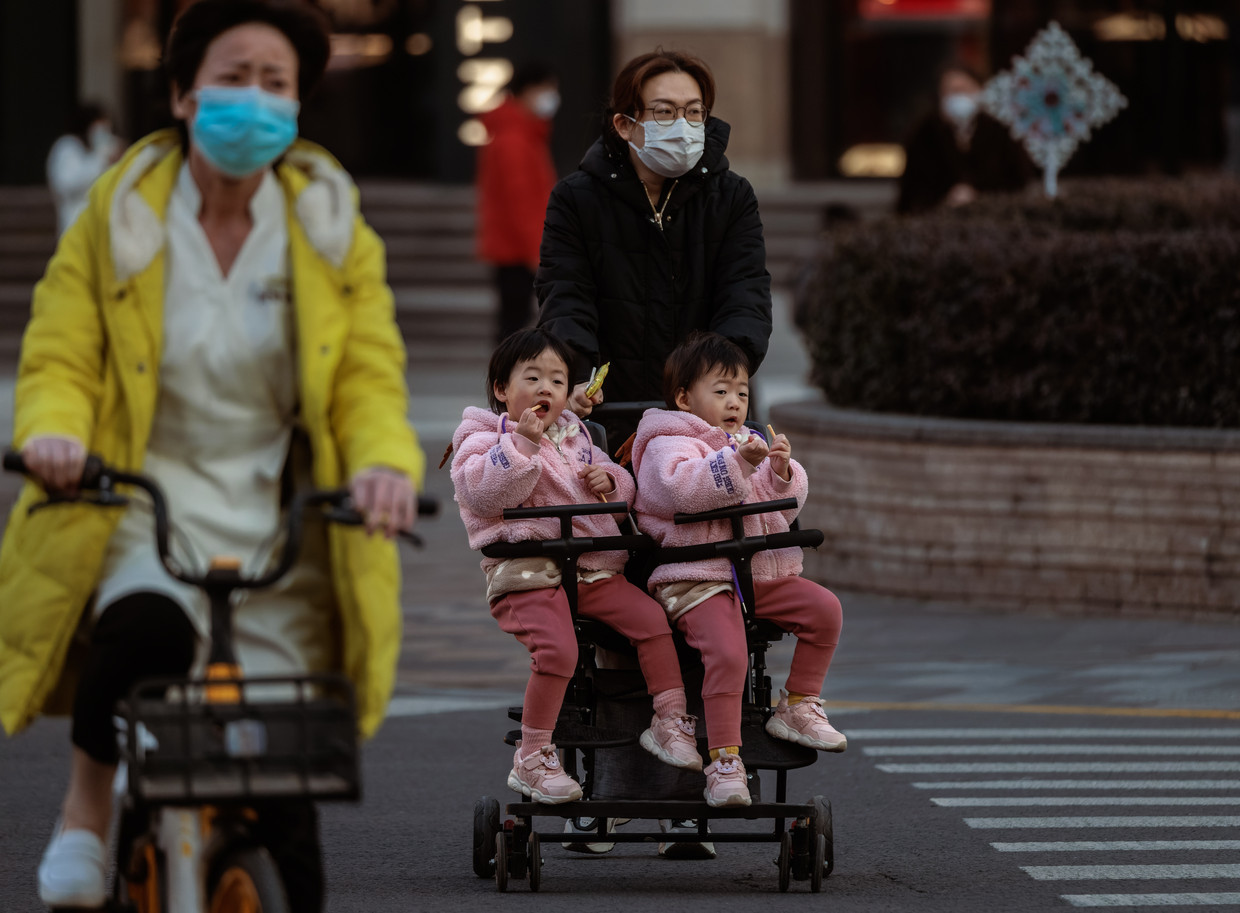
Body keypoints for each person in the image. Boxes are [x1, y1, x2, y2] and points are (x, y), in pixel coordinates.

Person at [0, 2, 424, 910]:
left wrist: (385, 463)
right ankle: (86, 810)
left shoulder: (329, 224)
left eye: (277, 84)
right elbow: (62, 351)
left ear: (300, 104)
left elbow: (367, 370)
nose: (255, 100)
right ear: (186, 94)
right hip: (136, 494)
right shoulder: (116, 216)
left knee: (287, 794)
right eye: (234, 77)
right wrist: (52, 433)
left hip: (280, 513)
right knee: (147, 631)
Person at [449, 327, 701, 803]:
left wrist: (608, 480)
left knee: (651, 620)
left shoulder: (575, 435)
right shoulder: (483, 436)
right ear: (502, 390)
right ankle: (533, 755)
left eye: (558, 381)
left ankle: (670, 720)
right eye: (533, 378)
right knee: (558, 651)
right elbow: (481, 493)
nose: (546, 389)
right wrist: (520, 445)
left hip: (590, 567)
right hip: (528, 569)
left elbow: (623, 492)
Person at [632, 331, 846, 807]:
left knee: (825, 610)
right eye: (722, 391)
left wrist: (781, 472)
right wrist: (736, 462)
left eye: (743, 392)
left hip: (753, 572)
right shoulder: (667, 442)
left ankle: (797, 705)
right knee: (729, 654)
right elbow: (684, 491)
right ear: (685, 399)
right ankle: (725, 760)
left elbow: (781, 510)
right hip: (694, 576)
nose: (735, 402)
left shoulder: (745, 441)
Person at [536, 49, 772, 448]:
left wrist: (715, 383)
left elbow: (745, 294)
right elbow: (566, 295)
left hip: (706, 419)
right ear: (625, 125)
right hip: (609, 414)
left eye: (695, 112)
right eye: (665, 112)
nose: (683, 125)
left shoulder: (731, 197)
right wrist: (576, 378)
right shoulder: (577, 199)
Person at [475, 62, 560, 343]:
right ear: (528, 91)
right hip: (516, 248)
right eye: (547, 90)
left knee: (514, 320)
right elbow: (520, 202)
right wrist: (536, 253)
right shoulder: (514, 138)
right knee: (514, 323)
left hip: (514, 246)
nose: (552, 97)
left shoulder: (522, 133)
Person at [896, 63, 1032, 214]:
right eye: (951, 91)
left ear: (979, 91)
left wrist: (978, 195)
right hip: (936, 222)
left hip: (993, 218)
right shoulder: (923, 135)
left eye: (963, 90)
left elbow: (1017, 182)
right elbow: (912, 191)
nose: (957, 97)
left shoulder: (1001, 133)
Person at [46, 102, 123, 236]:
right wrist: (103, 159)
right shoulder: (66, 147)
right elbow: (69, 183)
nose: (104, 129)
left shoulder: (96, 151)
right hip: (74, 225)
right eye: (100, 123)